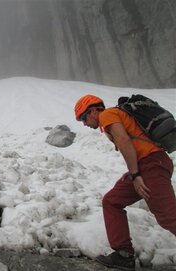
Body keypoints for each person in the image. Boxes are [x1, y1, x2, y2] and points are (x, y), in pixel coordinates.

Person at [74, 94, 176, 270]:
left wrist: (136, 175)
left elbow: (124, 141)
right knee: (112, 201)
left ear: (92, 111)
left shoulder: (107, 115)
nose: (84, 123)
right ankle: (123, 255)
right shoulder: (115, 116)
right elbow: (135, 143)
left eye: (83, 117)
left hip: (151, 166)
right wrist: (132, 172)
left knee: (169, 217)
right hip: (147, 165)